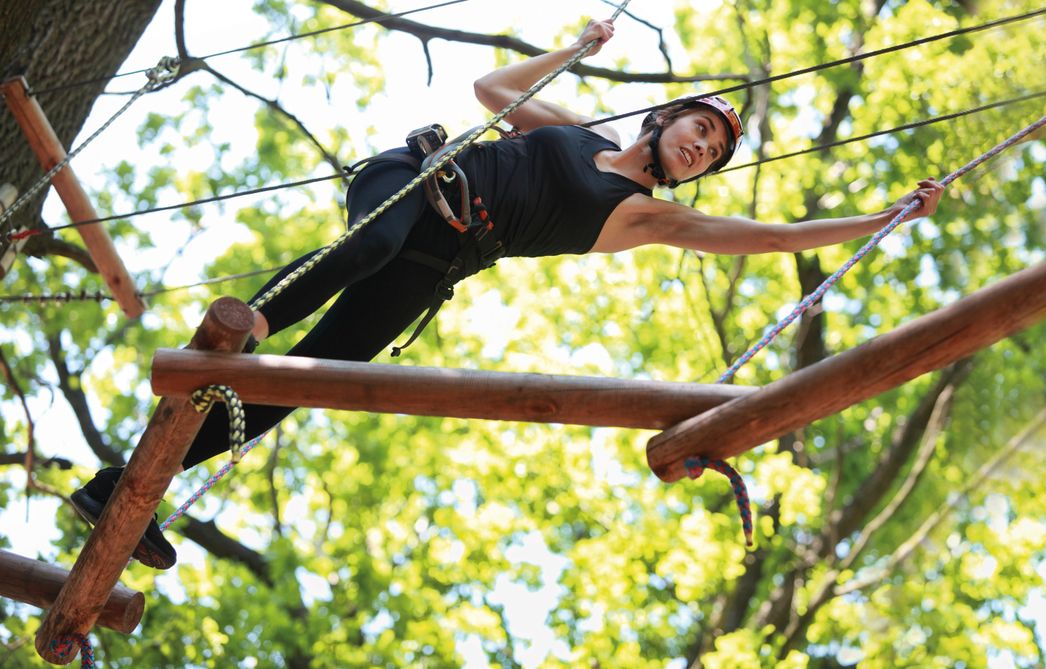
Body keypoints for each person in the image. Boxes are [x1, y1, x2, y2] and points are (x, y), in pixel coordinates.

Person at [71, 19, 945, 569]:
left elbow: (776, 239)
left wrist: (881, 217)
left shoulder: (648, 219)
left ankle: (121, 489)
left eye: (713, 152)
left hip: (439, 264)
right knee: (368, 243)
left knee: (298, 386)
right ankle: (257, 318)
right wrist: (575, 49)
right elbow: (491, 92)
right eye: (698, 128)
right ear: (666, 119)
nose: (700, 149)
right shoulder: (578, 133)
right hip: (418, 182)